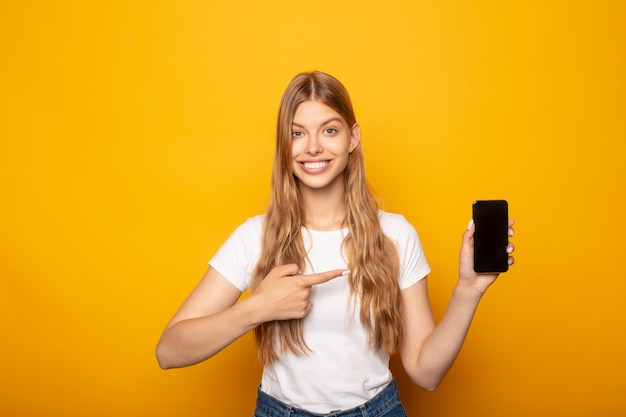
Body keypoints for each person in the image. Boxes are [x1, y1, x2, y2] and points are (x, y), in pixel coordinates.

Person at [155, 71, 515, 417]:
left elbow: (425, 372)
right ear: (284, 143)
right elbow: (169, 351)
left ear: (352, 138)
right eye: (297, 133)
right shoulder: (255, 237)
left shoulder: (395, 235)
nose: (313, 147)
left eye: (329, 130)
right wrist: (258, 308)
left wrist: (468, 289)